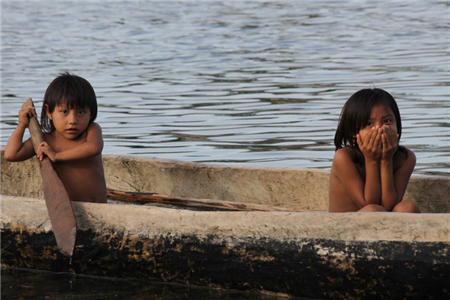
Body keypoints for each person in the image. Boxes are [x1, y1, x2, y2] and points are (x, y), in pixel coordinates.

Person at [4, 72, 107, 203]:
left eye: (81, 112)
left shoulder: (91, 131)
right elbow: (12, 155)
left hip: (100, 208)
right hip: (67, 213)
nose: (72, 120)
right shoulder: (44, 141)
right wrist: (22, 125)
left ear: (90, 112)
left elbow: (94, 148)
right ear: (49, 112)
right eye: (64, 112)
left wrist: (57, 156)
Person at [329, 88, 420, 213]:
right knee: (373, 210)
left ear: (397, 126)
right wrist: (371, 160)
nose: (379, 129)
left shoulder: (406, 158)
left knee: (408, 207)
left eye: (387, 121)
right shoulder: (344, 158)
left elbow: (388, 205)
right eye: (369, 124)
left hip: (384, 223)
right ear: (354, 132)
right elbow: (369, 203)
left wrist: (386, 160)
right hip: (347, 226)